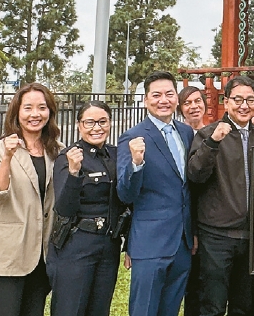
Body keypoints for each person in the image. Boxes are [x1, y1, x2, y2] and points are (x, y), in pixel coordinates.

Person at [188, 76, 254, 316]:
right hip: (217, 235)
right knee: (212, 305)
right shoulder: (208, 134)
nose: (244, 105)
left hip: (253, 237)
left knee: (246, 306)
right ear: (226, 102)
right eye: (238, 99)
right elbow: (195, 175)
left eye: (250, 100)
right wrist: (213, 142)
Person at [117, 71, 195, 316]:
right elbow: (124, 193)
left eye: (169, 94)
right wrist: (136, 163)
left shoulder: (186, 132)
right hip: (150, 243)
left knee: (170, 310)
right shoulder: (132, 137)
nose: (164, 100)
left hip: (182, 241)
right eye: (156, 95)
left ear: (176, 98)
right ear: (146, 100)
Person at [0, 83, 60, 316]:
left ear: (50, 112)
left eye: (42, 108)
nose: (35, 114)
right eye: (28, 108)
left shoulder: (57, 151)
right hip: (9, 252)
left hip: (43, 253)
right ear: (17, 113)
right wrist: (7, 157)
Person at [46, 101, 125, 316]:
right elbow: (64, 207)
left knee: (100, 309)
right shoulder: (69, 156)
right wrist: (73, 173)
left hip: (108, 244)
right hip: (77, 243)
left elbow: (126, 200)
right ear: (79, 125)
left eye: (102, 122)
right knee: (70, 309)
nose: (96, 128)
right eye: (89, 122)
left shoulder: (116, 155)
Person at [177, 85, 209, 316]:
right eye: (187, 103)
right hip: (187, 215)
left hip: (211, 211)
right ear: (181, 109)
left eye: (197, 101)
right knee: (191, 284)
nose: (194, 106)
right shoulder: (179, 137)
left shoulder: (215, 133)